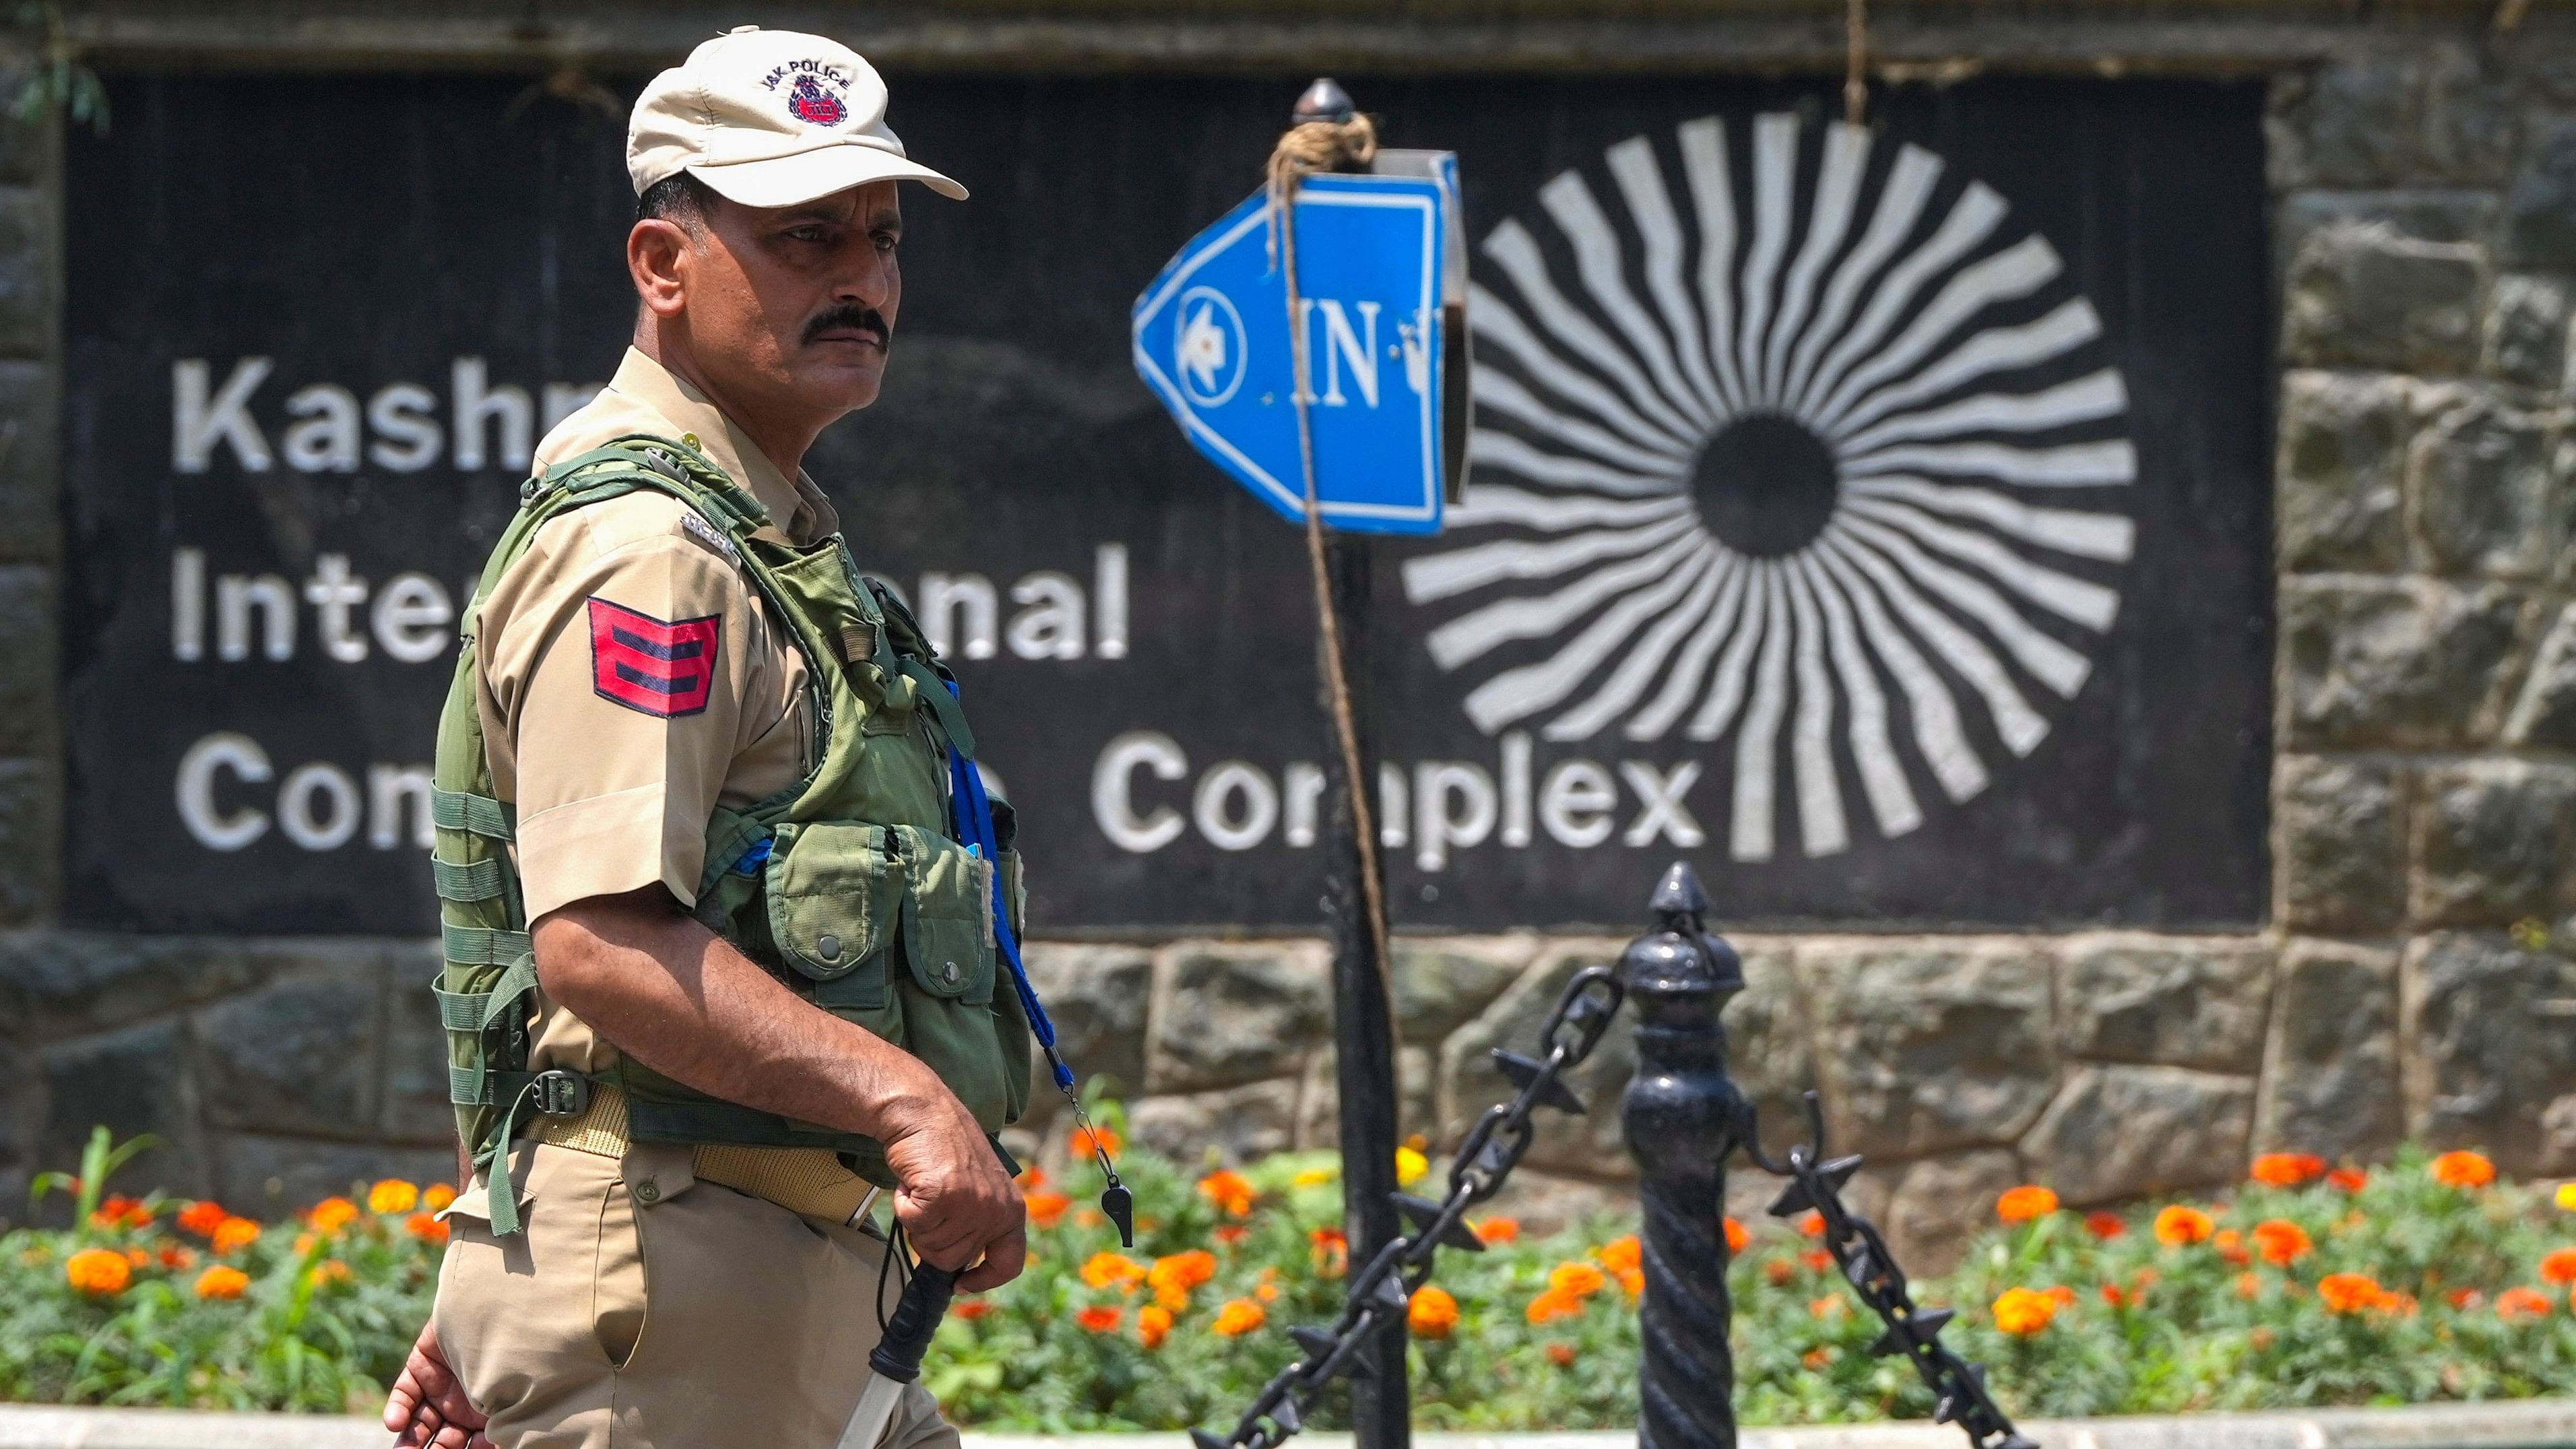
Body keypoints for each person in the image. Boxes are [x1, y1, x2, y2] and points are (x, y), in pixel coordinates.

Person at [383, 27, 1033, 1449]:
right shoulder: (648, 552)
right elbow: (597, 939)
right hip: (673, 1306)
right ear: (661, 266)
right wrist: (914, 1106)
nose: (860, 275)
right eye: (805, 236)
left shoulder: (763, 533)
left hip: (758, 1292)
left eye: (878, 235)